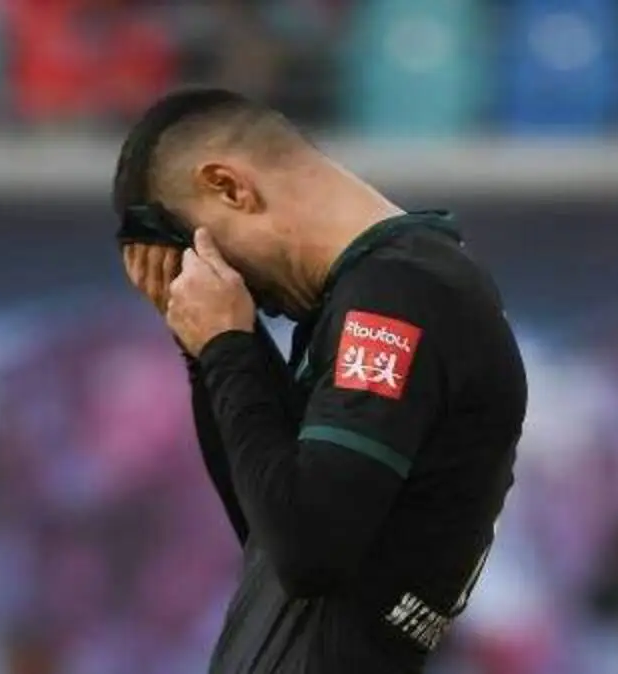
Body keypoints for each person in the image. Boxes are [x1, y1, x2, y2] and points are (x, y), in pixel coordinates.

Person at [113, 88, 527, 673]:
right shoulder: (378, 293)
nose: (232, 283)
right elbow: (270, 532)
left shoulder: (400, 296)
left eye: (211, 255)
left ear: (230, 187)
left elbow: (309, 548)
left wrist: (227, 345)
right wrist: (210, 351)